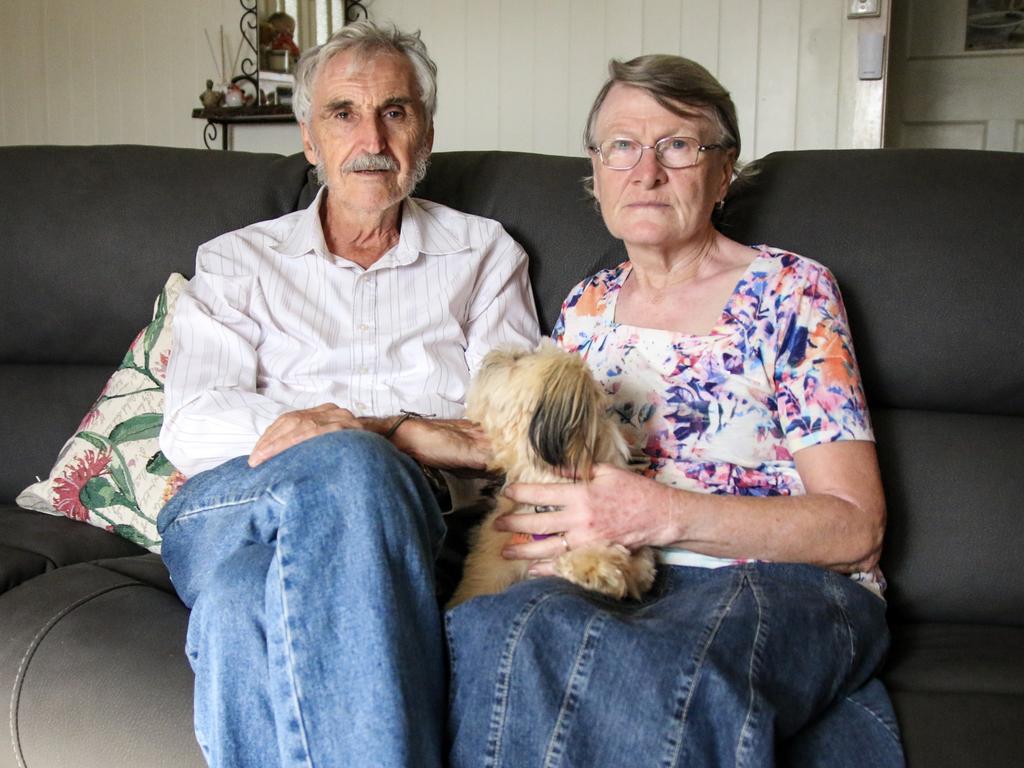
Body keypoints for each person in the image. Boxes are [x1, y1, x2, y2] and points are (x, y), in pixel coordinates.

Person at [445, 55, 905, 767]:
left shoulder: (792, 294)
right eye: (621, 146)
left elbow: (856, 527)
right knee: (494, 631)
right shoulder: (585, 307)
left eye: (679, 145)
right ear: (595, 173)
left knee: (653, 673)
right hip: (608, 572)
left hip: (770, 578)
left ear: (725, 173)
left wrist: (661, 513)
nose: (646, 170)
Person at [157, 21, 538, 768]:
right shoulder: (237, 262)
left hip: (409, 526)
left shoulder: (484, 255)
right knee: (355, 464)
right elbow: (193, 423)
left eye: (395, 111)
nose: (372, 135)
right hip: (234, 507)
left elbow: (506, 438)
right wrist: (384, 434)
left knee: (240, 605)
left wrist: (372, 435)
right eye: (343, 112)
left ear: (425, 134)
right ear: (309, 139)